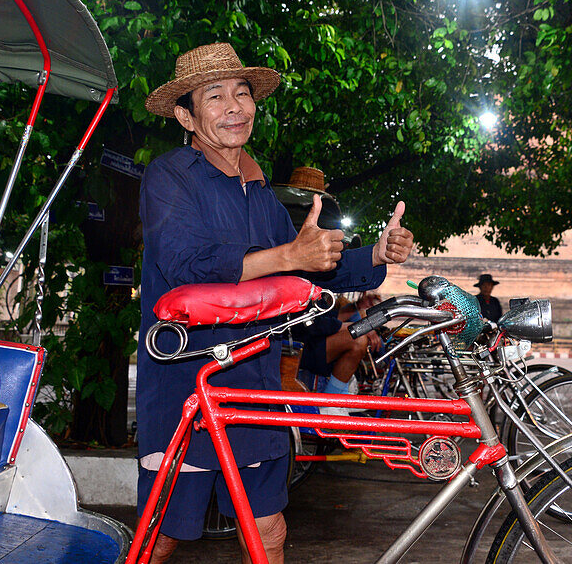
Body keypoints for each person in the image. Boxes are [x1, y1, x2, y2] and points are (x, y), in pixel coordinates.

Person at [137, 43, 414, 564]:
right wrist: (289, 253)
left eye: (242, 93)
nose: (234, 106)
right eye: (214, 96)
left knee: (269, 532)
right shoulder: (168, 176)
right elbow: (187, 262)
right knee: (162, 534)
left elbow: (310, 266)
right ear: (185, 115)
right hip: (185, 383)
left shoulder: (261, 194)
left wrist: (376, 253)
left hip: (256, 383)